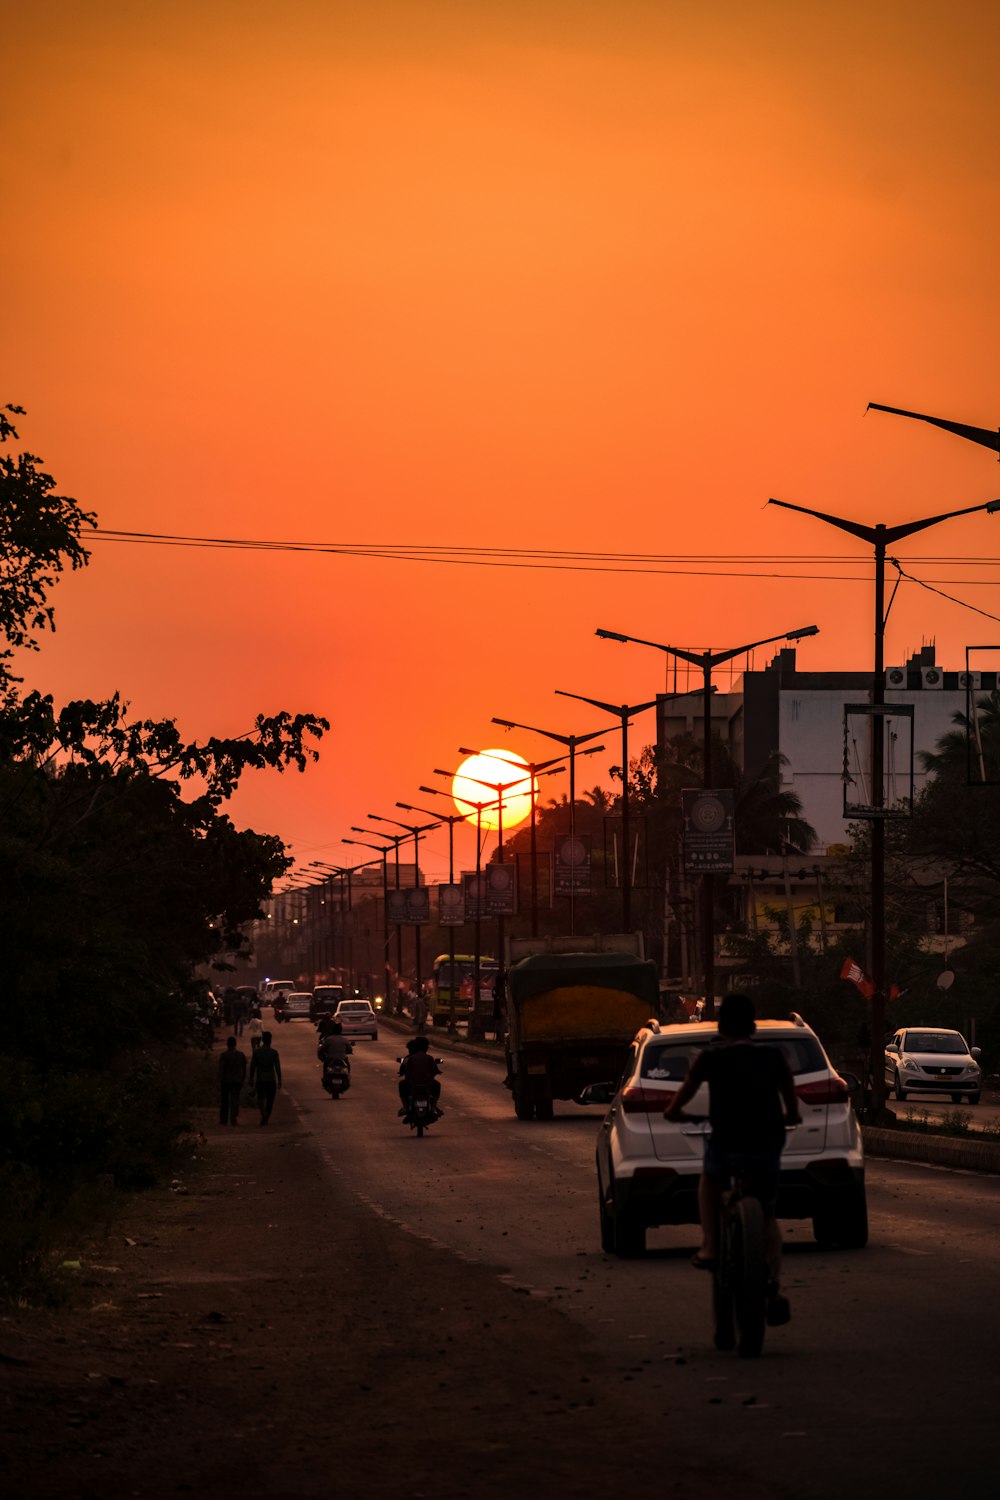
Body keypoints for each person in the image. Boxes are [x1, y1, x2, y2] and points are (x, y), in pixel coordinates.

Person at [664, 992, 800, 1326]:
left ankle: (710, 1245)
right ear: (753, 1026)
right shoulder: (773, 1056)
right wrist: (790, 1114)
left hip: (726, 1142)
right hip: (766, 1143)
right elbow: (790, 1100)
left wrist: (675, 1112)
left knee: (709, 1180)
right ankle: (773, 1282)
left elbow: (684, 1094)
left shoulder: (710, 1058)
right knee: (767, 1213)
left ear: (722, 1026)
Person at [398, 1034, 441, 1117]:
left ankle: (405, 1107)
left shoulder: (410, 1058)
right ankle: (434, 1107)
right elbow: (434, 1071)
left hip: (412, 1083)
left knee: (401, 1085)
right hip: (427, 1084)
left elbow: (407, 1071)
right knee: (437, 1085)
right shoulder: (429, 1058)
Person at [249, 1029, 282, 1125]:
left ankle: (263, 1113)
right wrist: (279, 1079)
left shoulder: (257, 1052)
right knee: (270, 1100)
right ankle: (266, 1115)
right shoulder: (274, 1052)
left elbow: (252, 1066)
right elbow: (277, 1067)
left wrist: (251, 1078)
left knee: (260, 1098)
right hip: (271, 1079)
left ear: (262, 1040)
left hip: (260, 1078)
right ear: (270, 1040)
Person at [218, 1035, 247, 1125]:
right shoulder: (240, 1055)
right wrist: (242, 1079)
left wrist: (219, 1079)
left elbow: (221, 1069)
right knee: (235, 1100)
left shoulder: (224, 1055)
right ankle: (233, 1119)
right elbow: (244, 1068)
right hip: (236, 1081)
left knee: (224, 1101)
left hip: (226, 1080)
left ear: (227, 1045)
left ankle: (224, 1120)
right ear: (235, 1044)